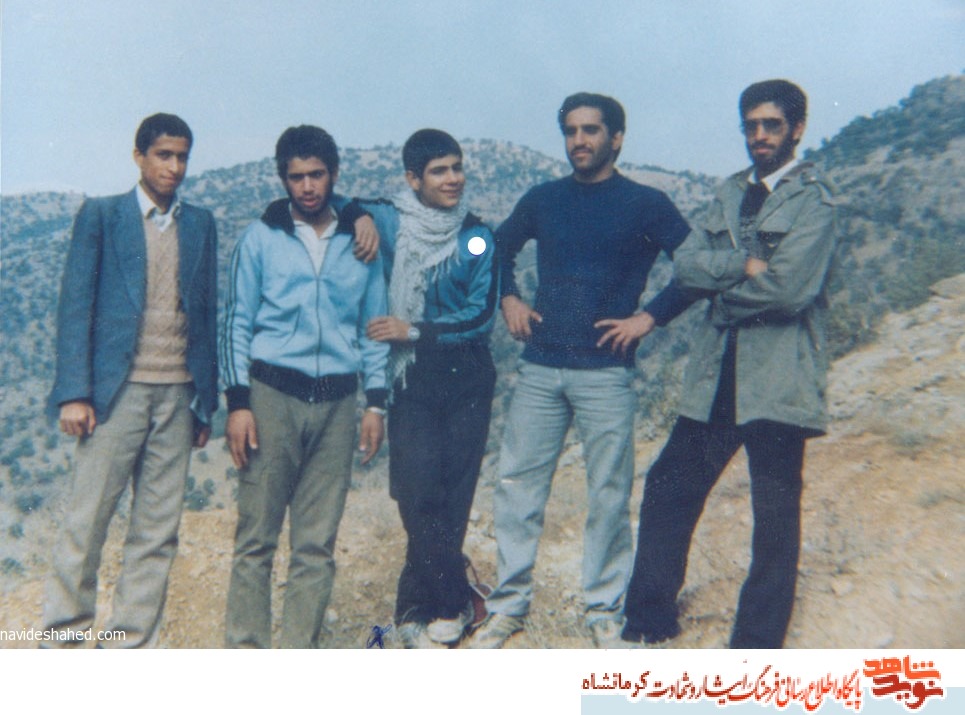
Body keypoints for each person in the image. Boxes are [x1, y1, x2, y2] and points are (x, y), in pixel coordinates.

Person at [468, 93, 692, 648]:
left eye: (591, 130)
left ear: (617, 138)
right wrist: (509, 298)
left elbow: (696, 266)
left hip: (606, 372)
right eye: (570, 131)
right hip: (541, 367)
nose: (579, 141)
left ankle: (603, 609)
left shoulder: (646, 203)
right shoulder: (543, 199)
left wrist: (649, 318)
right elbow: (492, 247)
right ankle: (509, 606)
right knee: (517, 488)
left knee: (609, 494)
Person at [620, 79, 838, 649]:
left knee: (775, 513)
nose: (760, 135)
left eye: (772, 125)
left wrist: (721, 295)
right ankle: (647, 624)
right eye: (751, 125)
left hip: (779, 378)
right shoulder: (728, 192)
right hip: (718, 373)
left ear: (797, 129)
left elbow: (789, 290)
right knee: (669, 484)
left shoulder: (815, 200)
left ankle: (756, 647)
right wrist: (742, 267)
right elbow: (687, 266)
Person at [43, 113, 219, 648]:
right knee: (87, 521)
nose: (174, 167)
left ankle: (127, 648)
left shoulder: (200, 223)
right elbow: (76, 306)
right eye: (164, 155)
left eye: (182, 157)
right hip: (115, 396)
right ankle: (61, 642)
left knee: (156, 531)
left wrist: (204, 402)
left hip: (178, 394)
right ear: (139, 156)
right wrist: (75, 393)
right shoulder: (102, 215)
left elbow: (207, 314)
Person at [220, 125, 389, 648]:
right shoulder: (259, 238)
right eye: (297, 177)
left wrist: (376, 403)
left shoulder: (361, 241)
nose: (308, 186)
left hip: (338, 403)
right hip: (271, 397)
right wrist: (238, 403)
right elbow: (237, 321)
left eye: (317, 174)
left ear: (334, 175)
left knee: (316, 544)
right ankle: (246, 653)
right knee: (256, 538)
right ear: (283, 180)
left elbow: (375, 326)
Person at [360, 129, 499, 648]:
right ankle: (456, 595)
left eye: (457, 167)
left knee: (453, 495)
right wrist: (356, 218)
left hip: (466, 378)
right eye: (439, 170)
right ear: (413, 179)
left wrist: (415, 330)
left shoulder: (475, 236)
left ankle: (419, 608)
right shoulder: (391, 221)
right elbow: (346, 204)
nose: (453, 178)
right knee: (416, 492)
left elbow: (481, 314)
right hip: (412, 378)